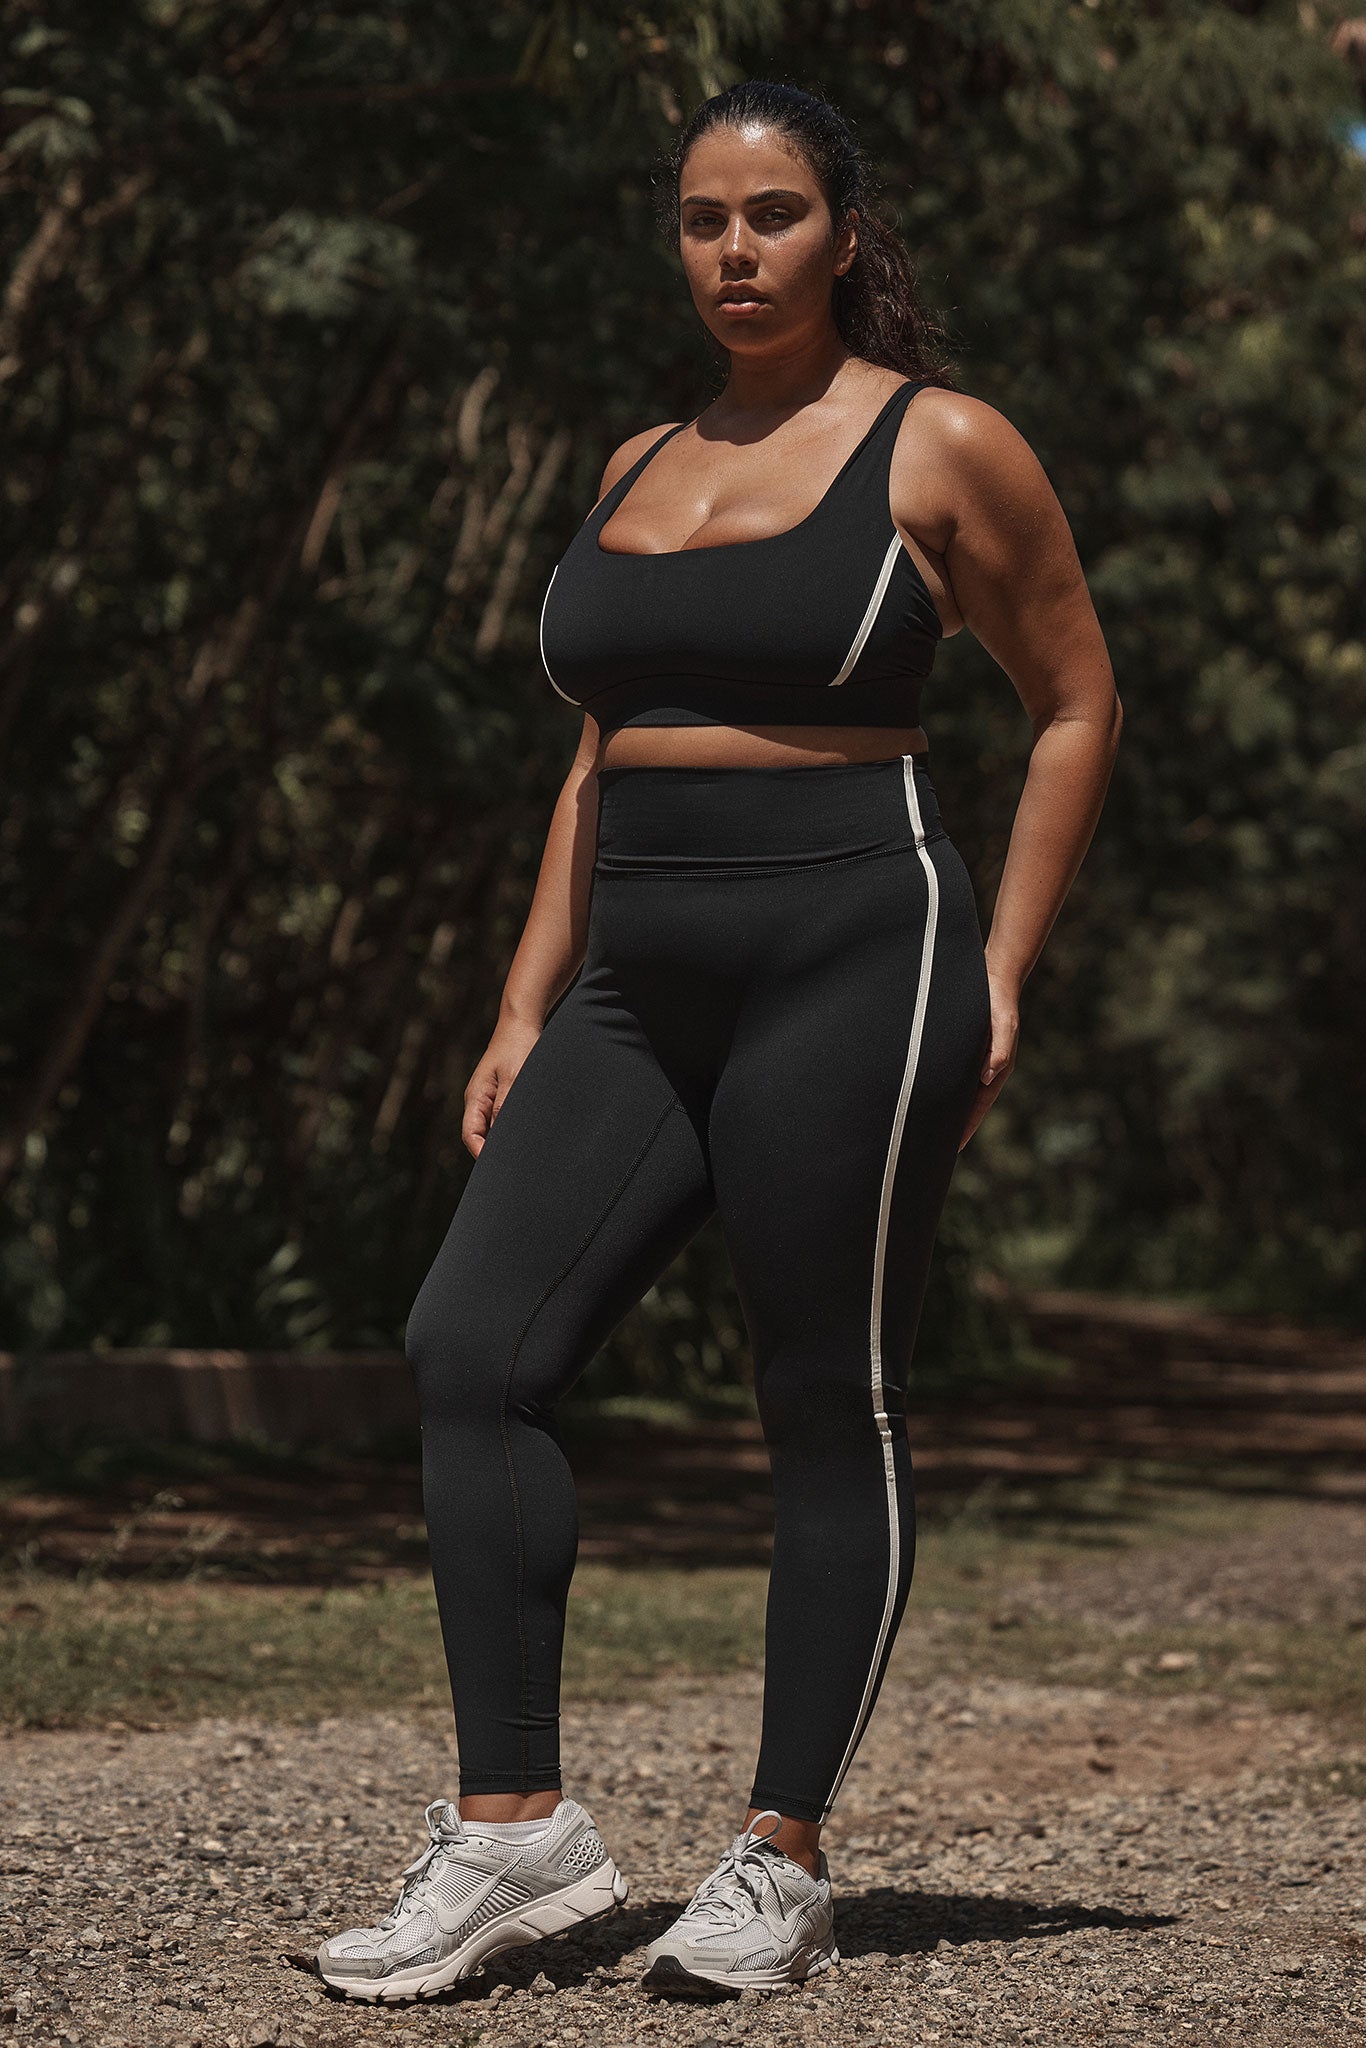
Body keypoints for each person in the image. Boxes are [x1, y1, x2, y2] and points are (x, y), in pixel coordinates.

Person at [317, 77, 1120, 2004]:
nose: (734, 250)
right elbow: (594, 754)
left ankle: (780, 1852)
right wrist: (522, 998)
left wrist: (998, 968)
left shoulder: (942, 445)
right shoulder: (631, 457)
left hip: (857, 939)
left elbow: (1076, 705)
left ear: (842, 231)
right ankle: (517, 1835)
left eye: (770, 213)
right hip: (636, 969)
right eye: (701, 219)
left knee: (815, 1391)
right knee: (469, 1349)